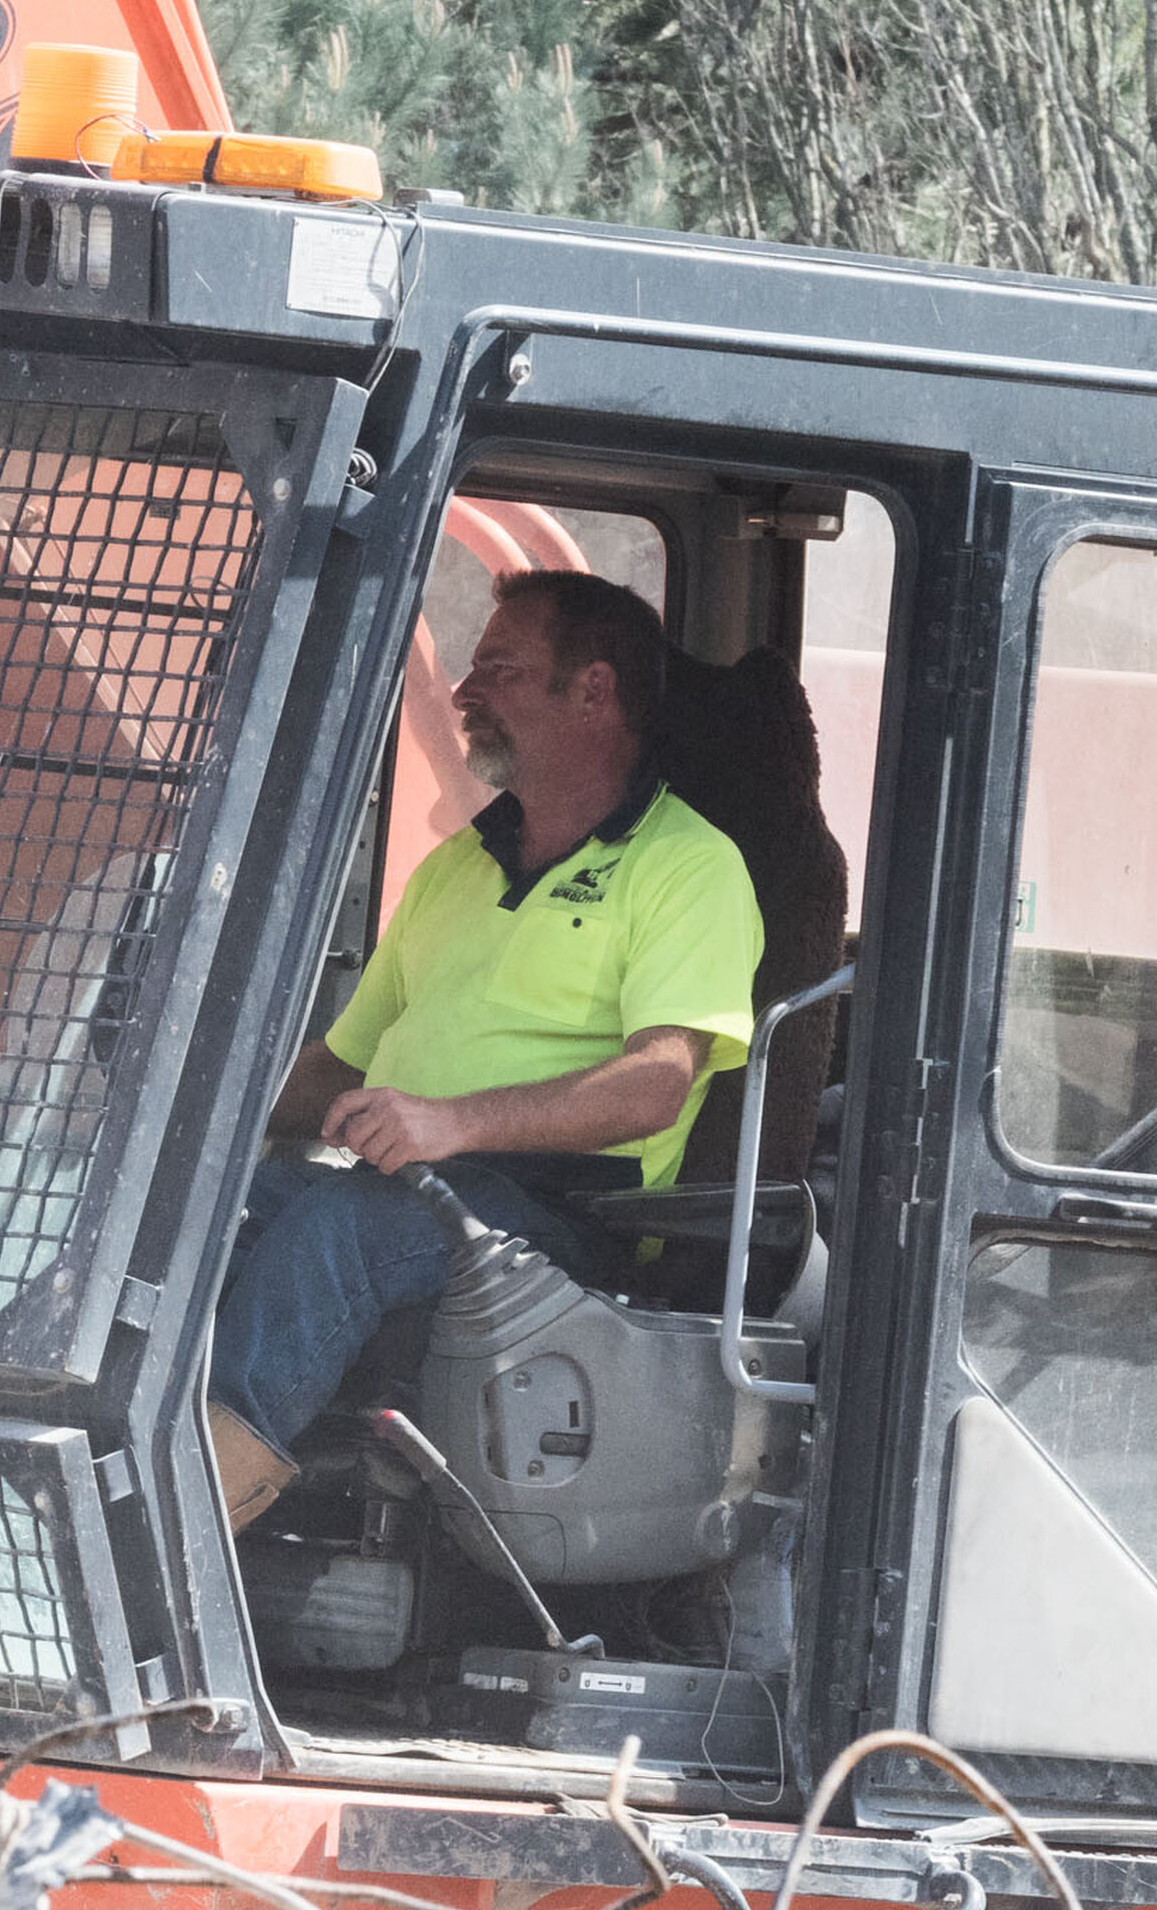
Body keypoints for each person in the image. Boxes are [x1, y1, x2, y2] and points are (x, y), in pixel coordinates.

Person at [206, 572, 764, 1528]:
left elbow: (657, 1084)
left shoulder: (688, 865)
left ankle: (187, 1507)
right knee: (220, 1218)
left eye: (498, 669)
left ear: (593, 691)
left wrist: (451, 1123)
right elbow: (341, 1067)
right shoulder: (458, 866)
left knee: (339, 1230)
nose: (463, 692)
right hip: (407, 1184)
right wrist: (197, 1124)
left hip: (566, 1216)